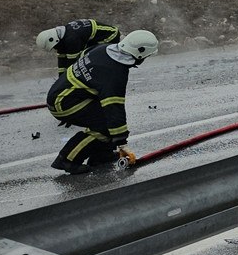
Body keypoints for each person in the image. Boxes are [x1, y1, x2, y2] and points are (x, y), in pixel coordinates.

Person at [46, 29, 158, 174]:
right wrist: (121, 142)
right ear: (140, 53)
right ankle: (67, 160)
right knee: (104, 125)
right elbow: (113, 107)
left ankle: (101, 155)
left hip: (62, 94)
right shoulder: (115, 72)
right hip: (64, 102)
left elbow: (81, 59)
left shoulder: (103, 49)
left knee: (105, 119)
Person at [36, 19, 121, 74]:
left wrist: (65, 82)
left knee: (87, 57)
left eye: (54, 46)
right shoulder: (63, 36)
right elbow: (62, 59)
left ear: (54, 40)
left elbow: (72, 63)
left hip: (110, 37)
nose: (55, 48)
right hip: (96, 40)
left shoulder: (72, 39)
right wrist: (60, 78)